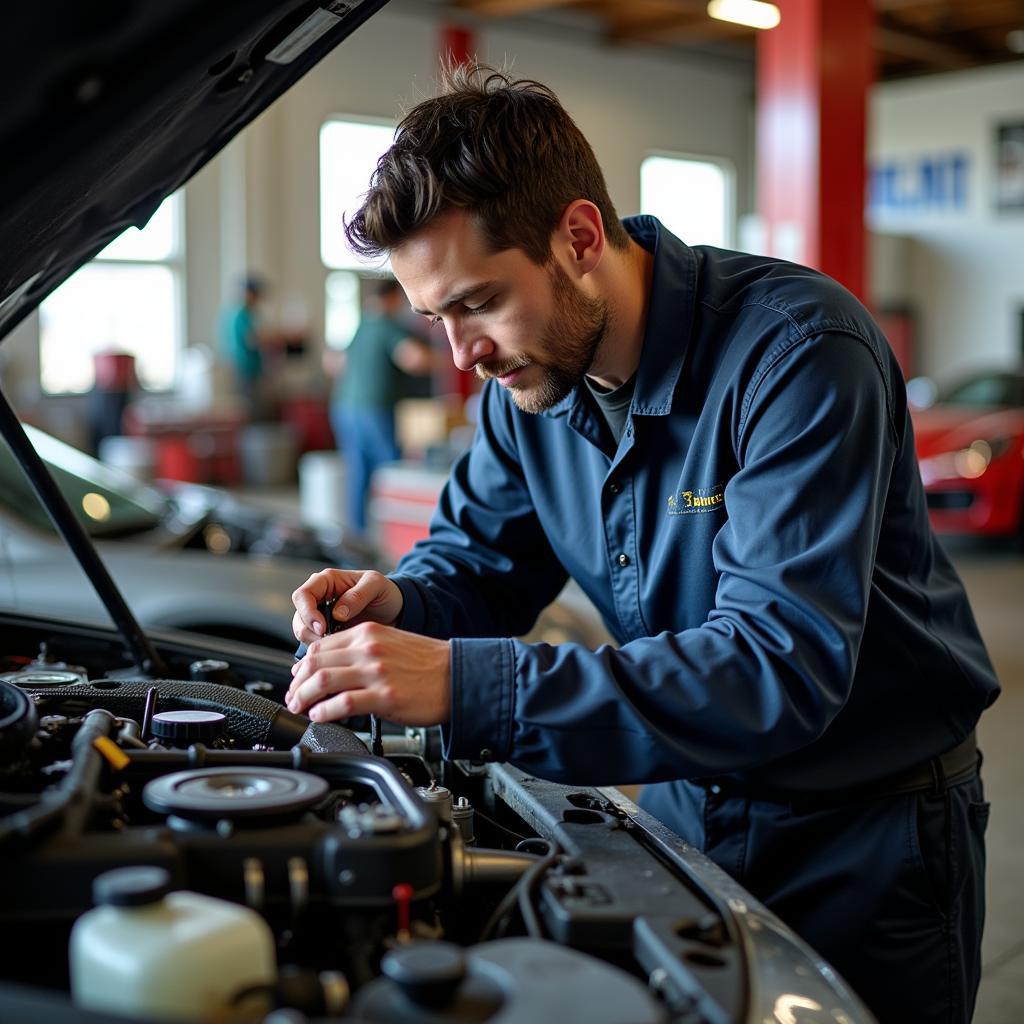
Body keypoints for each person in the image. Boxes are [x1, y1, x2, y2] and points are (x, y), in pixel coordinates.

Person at [287, 64, 999, 1023]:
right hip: (678, 811)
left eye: (478, 303)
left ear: (580, 237)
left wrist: (464, 684)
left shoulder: (798, 355)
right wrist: (399, 609)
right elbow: (479, 566)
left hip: (863, 839)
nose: (462, 356)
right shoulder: (529, 386)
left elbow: (771, 669)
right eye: (435, 318)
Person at [328, 277, 435, 535]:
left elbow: (333, 363)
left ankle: (358, 536)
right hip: (374, 410)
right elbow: (414, 358)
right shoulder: (388, 326)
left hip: (344, 408)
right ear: (392, 298)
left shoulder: (361, 325)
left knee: (359, 474)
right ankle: (396, 533)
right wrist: (446, 360)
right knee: (391, 472)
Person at [218, 273, 270, 417]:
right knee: (248, 409)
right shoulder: (242, 315)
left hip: (243, 367)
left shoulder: (233, 313)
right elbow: (252, 340)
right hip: (245, 368)